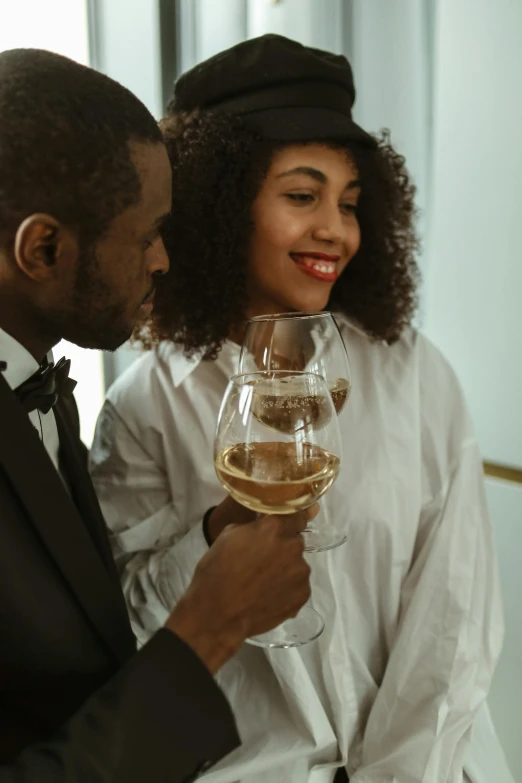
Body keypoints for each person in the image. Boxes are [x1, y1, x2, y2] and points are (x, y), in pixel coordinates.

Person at [90, 35, 510, 783]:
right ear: (219, 204)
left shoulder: (412, 373)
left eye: (349, 203)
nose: (336, 231)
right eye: (301, 195)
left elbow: (454, 624)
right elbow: (129, 635)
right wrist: (213, 538)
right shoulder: (143, 411)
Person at [0, 47, 314, 782]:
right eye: (147, 236)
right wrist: (208, 629)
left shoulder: (37, 375)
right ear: (42, 247)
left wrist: (208, 535)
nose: (165, 260)